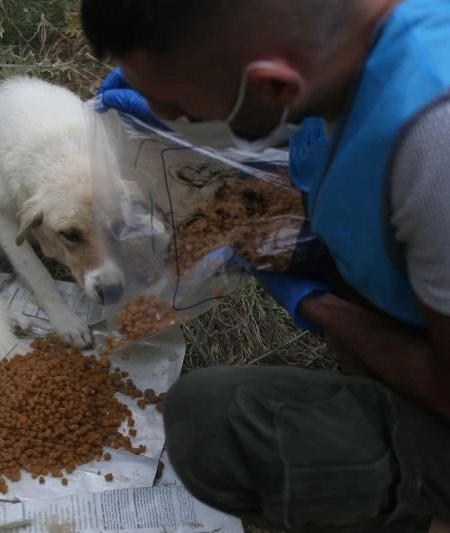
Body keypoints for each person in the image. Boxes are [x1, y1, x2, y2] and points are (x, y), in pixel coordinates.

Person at [80, 0, 450, 532]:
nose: (173, 122)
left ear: (275, 86)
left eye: (181, 111)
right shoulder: (351, 44)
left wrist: (318, 303)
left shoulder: (431, 143)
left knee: (215, 423)